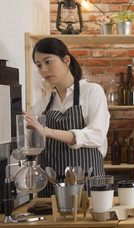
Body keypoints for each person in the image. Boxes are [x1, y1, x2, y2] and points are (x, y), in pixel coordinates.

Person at [26, 37, 110, 197]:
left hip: (88, 189)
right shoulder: (42, 104)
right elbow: (33, 148)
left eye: (48, 61)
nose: (44, 69)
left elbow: (96, 136)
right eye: (39, 65)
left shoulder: (92, 91)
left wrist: (48, 131)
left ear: (66, 60)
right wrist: (27, 129)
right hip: (51, 191)